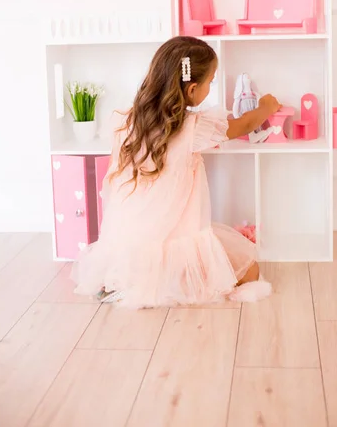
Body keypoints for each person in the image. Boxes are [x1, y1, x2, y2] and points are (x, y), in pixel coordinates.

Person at [72, 36, 281, 307]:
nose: (210, 88)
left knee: (177, 264)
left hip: (127, 237)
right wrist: (267, 106)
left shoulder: (126, 120)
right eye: (210, 82)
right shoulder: (192, 127)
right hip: (176, 233)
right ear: (192, 88)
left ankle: (129, 280)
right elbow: (243, 124)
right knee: (249, 271)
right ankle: (149, 282)